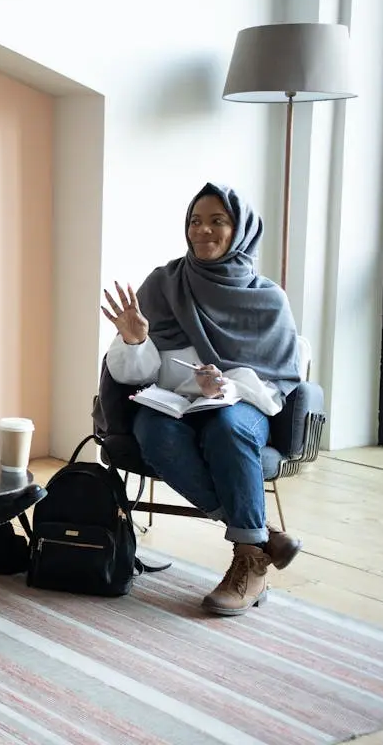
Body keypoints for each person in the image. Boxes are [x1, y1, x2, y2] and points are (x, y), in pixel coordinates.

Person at [100, 182, 303, 616]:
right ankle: (259, 540)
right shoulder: (164, 284)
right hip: (170, 405)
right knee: (153, 432)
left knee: (228, 428)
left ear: (241, 230)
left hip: (241, 409)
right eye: (195, 221)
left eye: (217, 221)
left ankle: (249, 561)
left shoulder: (267, 299)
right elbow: (137, 375)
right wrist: (135, 341)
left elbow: (280, 383)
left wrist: (228, 388)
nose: (202, 231)